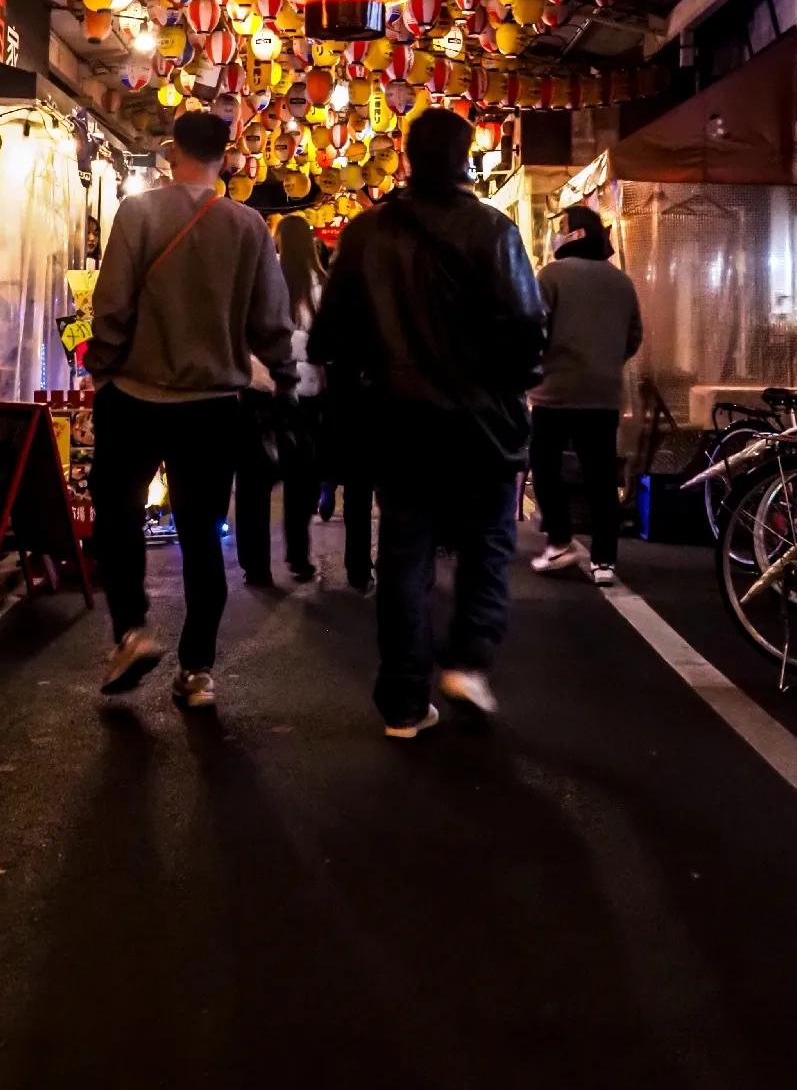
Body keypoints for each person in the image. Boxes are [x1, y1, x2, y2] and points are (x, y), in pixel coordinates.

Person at [309, 110, 544, 740]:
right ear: (466, 158)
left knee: (405, 556)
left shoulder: (364, 235)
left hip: (398, 423)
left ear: (407, 158)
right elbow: (526, 330)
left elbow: (328, 335)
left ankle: (404, 703)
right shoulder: (494, 231)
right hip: (480, 424)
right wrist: (508, 382)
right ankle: (468, 659)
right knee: (488, 543)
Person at [85, 111, 297, 709]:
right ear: (227, 159)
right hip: (213, 406)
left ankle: (132, 629)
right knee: (203, 534)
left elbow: (113, 303)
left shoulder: (140, 212)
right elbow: (271, 320)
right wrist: (281, 377)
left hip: (135, 396)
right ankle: (197, 669)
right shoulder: (249, 225)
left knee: (117, 510)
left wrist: (103, 363)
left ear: (172, 151)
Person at [528, 206, 642, 587]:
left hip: (555, 392)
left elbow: (534, 328)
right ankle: (604, 561)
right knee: (600, 478)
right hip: (603, 394)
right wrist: (607, 362)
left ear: (572, 235)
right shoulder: (621, 283)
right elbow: (633, 337)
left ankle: (560, 541)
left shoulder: (551, 276)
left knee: (545, 469)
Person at [233, 215, 324, 588]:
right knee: (302, 481)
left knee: (253, 485)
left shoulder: (258, 282)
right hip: (306, 395)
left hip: (260, 391)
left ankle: (256, 566)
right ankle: (298, 556)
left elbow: (241, 334)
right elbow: (327, 341)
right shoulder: (321, 286)